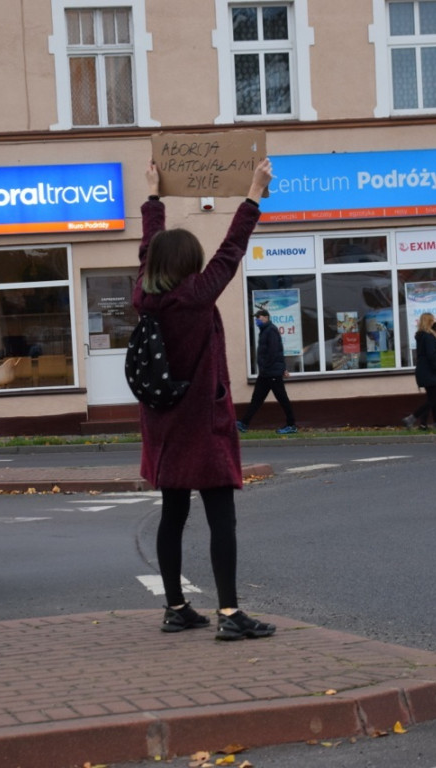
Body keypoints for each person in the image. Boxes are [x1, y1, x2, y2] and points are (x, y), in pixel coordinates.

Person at [134, 157, 276, 642]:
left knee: (172, 515)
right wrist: (254, 191)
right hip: (203, 424)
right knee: (221, 518)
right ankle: (230, 613)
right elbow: (232, 249)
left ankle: (176, 607)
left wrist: (154, 198)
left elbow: (145, 251)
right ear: (188, 266)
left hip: (163, 425)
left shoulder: (144, 294)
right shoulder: (196, 296)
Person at [236, 308, 298, 435]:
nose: (257, 321)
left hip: (272, 373)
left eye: (258, 318)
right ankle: (244, 423)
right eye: (256, 318)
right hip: (266, 373)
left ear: (266, 317)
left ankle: (291, 425)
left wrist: (268, 367)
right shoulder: (265, 331)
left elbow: (274, 352)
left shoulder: (271, 330)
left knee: (282, 399)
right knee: (257, 399)